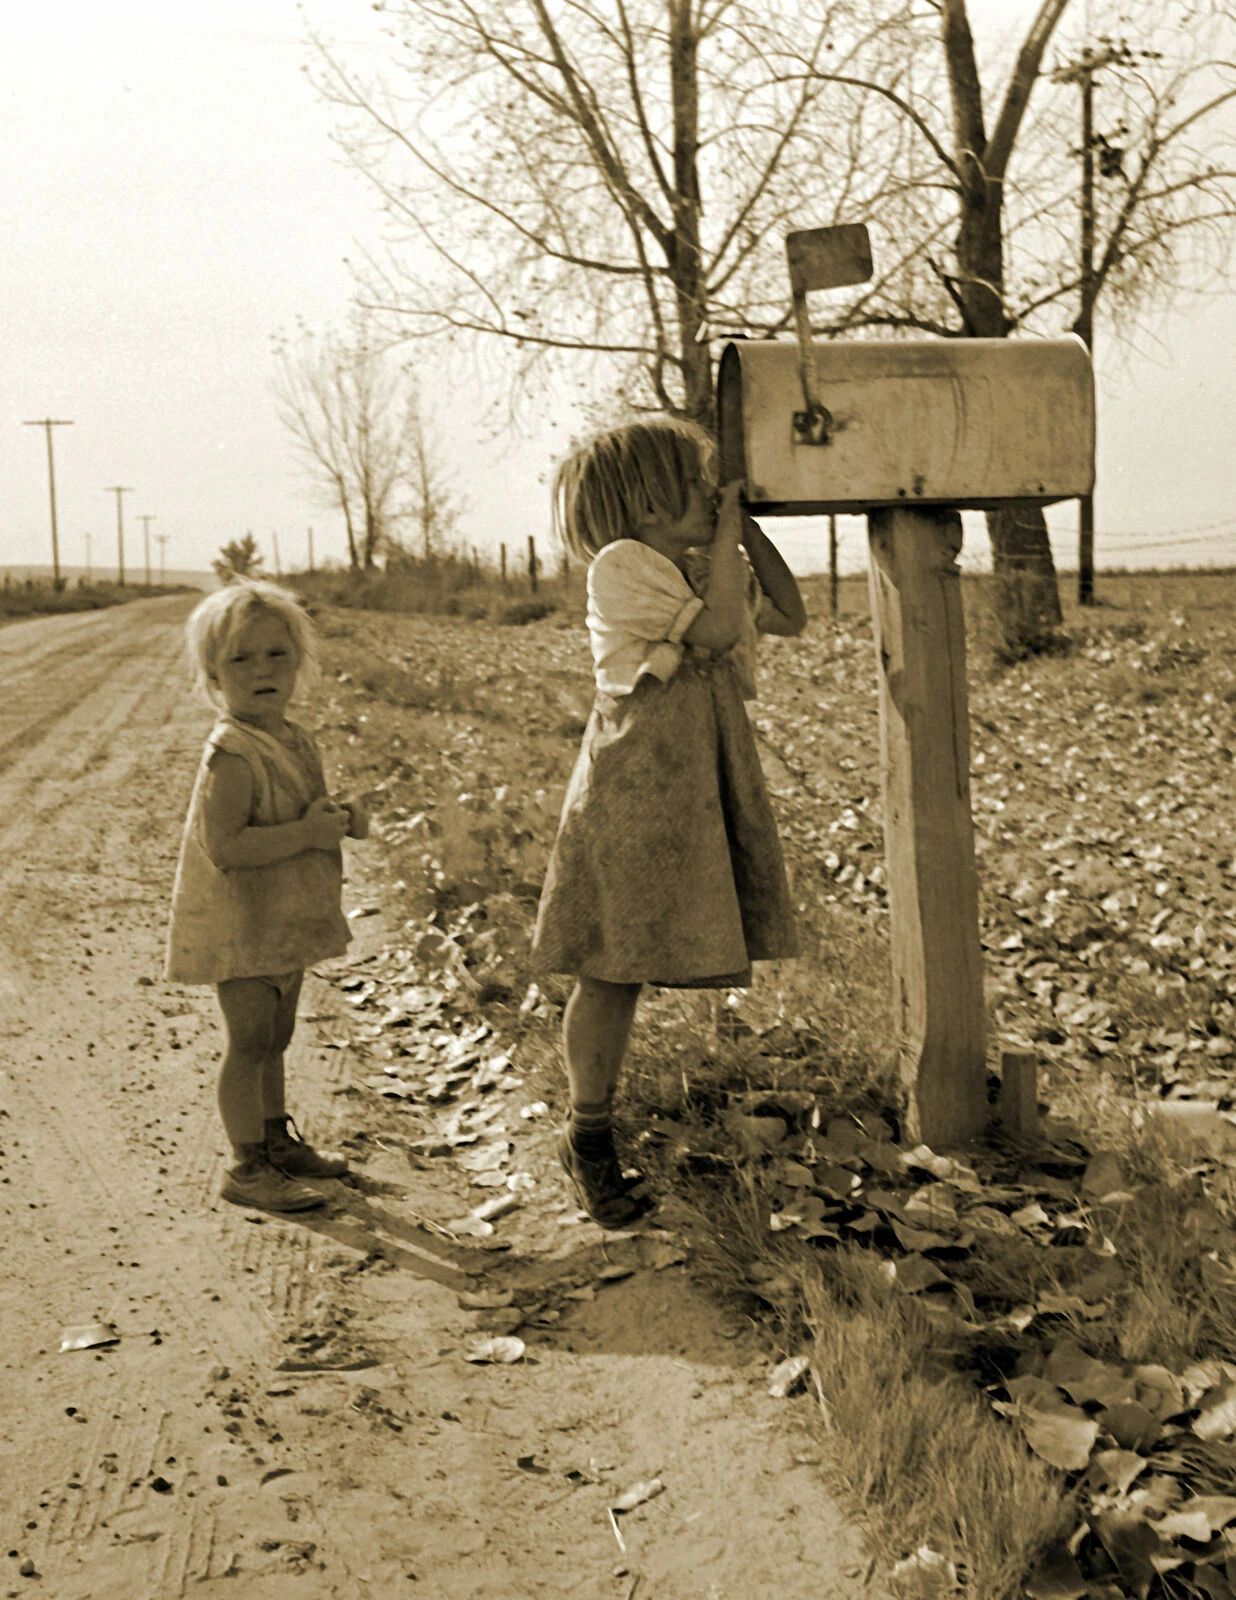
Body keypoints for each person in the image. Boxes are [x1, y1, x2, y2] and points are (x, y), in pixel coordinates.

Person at [531, 417, 806, 1228]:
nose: (706, 497)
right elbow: (720, 628)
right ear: (644, 500)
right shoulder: (622, 566)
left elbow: (787, 613)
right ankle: (587, 1138)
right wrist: (725, 543)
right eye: (694, 483)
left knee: (632, 964)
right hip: (636, 782)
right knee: (611, 966)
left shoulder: (694, 562)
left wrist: (742, 527)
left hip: (690, 779)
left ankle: (594, 1132)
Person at [165, 579, 369, 1214]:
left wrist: (339, 818)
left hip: (283, 915)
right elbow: (226, 846)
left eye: (277, 655)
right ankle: (245, 1167)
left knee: (277, 1039)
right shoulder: (230, 754)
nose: (262, 671)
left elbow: (307, 811)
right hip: (241, 921)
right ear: (213, 675)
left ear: (299, 661)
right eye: (241, 659)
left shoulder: (295, 739)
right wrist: (306, 833)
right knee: (249, 1041)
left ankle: (277, 1142)